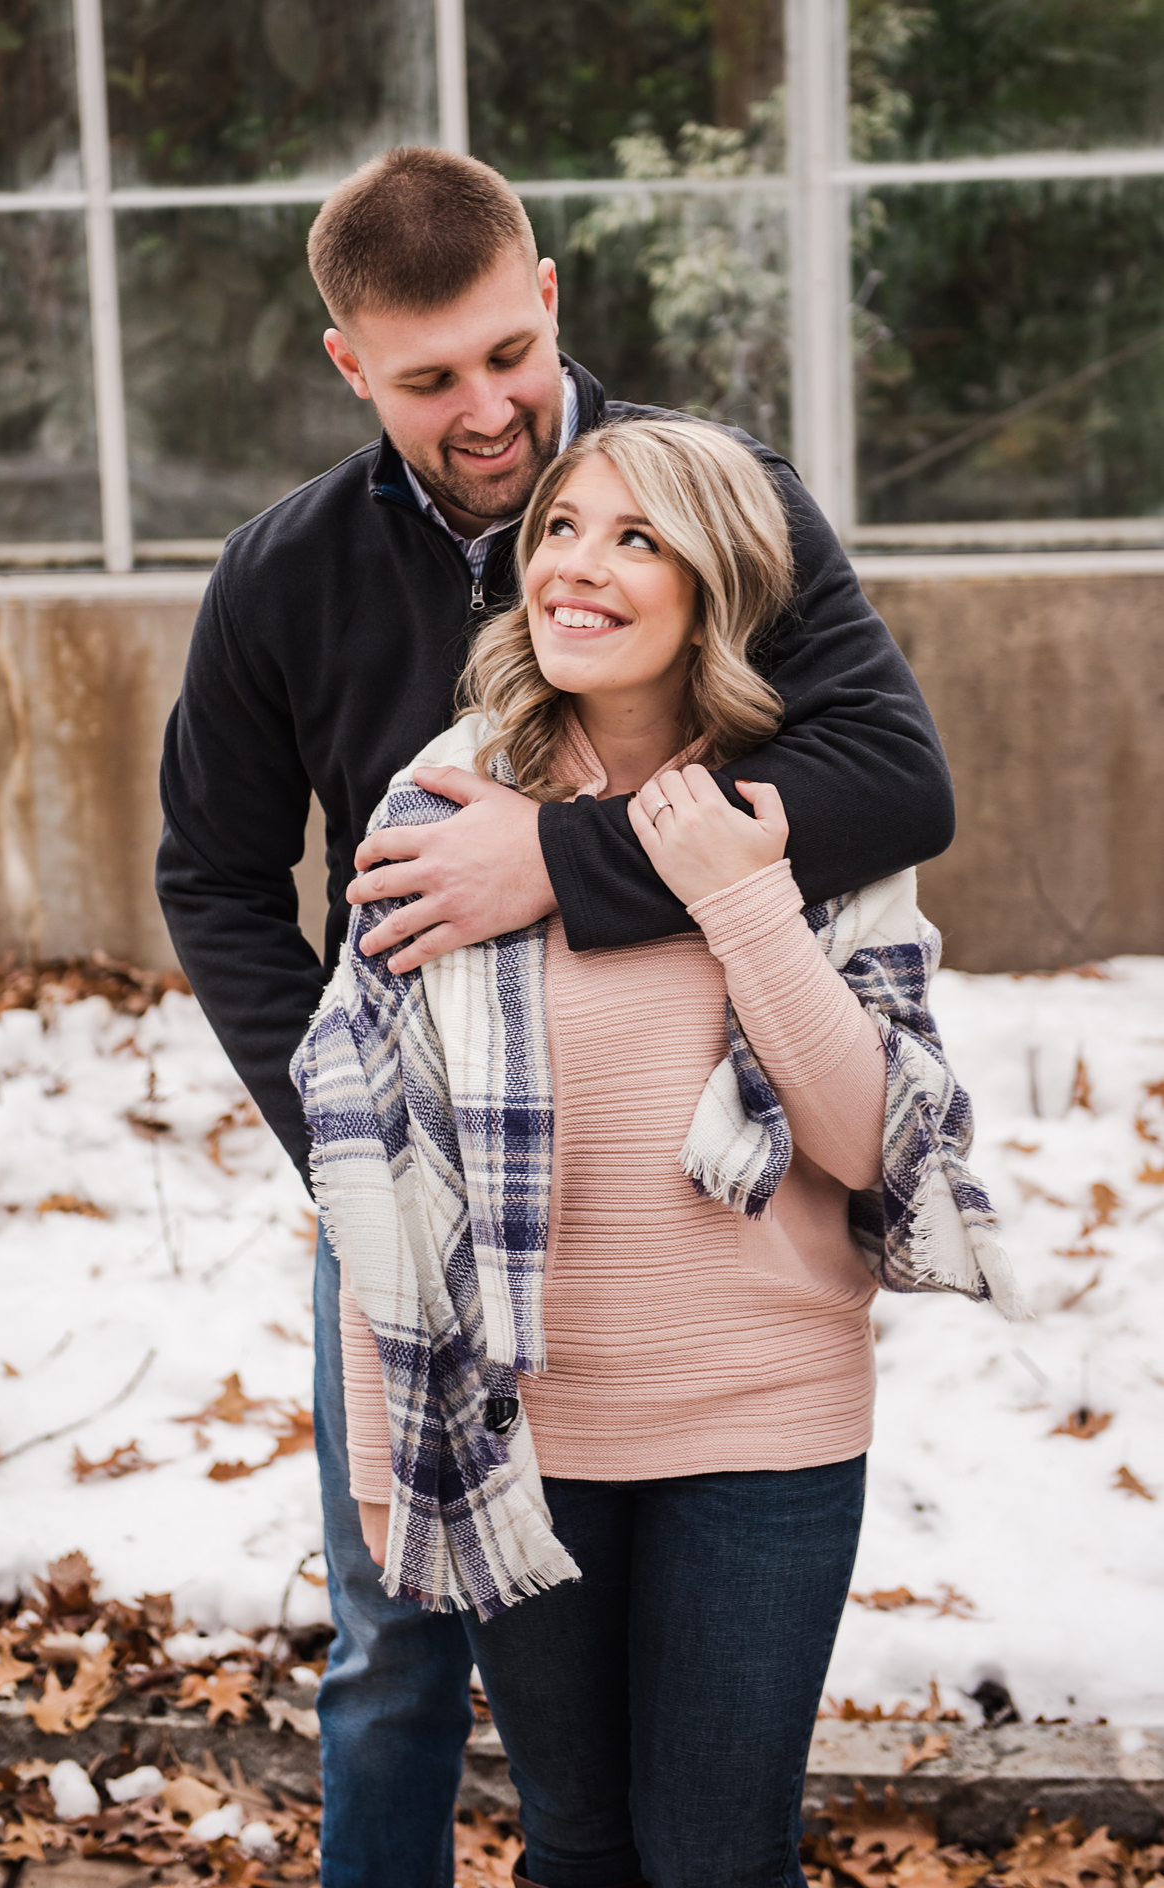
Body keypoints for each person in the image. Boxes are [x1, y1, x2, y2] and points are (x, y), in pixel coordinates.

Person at [156, 146, 956, 1888]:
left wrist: (562, 862)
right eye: (430, 378)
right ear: (349, 365)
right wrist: (358, 1145)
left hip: (706, 1270)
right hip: (413, 1179)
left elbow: (891, 781)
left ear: (549, 301)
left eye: (510, 355)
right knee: (388, 1656)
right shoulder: (281, 574)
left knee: (691, 1810)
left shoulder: (697, 493)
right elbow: (215, 881)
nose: (492, 410)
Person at [294, 418, 1017, 1888]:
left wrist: (736, 898)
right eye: (562, 528)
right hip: (527, 1432)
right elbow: (376, 1157)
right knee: (573, 1842)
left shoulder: (803, 812)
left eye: (638, 539)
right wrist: (383, 1463)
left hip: (762, 1430)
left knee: (715, 1855)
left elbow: (870, 1143)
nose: (579, 566)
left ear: (717, 585)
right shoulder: (438, 803)